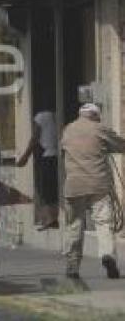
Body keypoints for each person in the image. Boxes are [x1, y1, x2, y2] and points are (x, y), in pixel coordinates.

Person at [61, 103, 125, 280]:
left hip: (74, 186)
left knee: (74, 224)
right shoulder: (100, 129)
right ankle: (107, 255)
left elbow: (64, 152)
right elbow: (120, 145)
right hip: (98, 185)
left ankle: (72, 265)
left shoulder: (67, 130)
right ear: (95, 116)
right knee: (104, 222)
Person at [17, 110, 59, 229]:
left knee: (45, 188)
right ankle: (53, 218)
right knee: (54, 188)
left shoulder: (41, 116)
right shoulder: (56, 115)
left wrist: (25, 157)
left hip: (47, 156)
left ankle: (50, 219)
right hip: (58, 156)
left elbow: (34, 138)